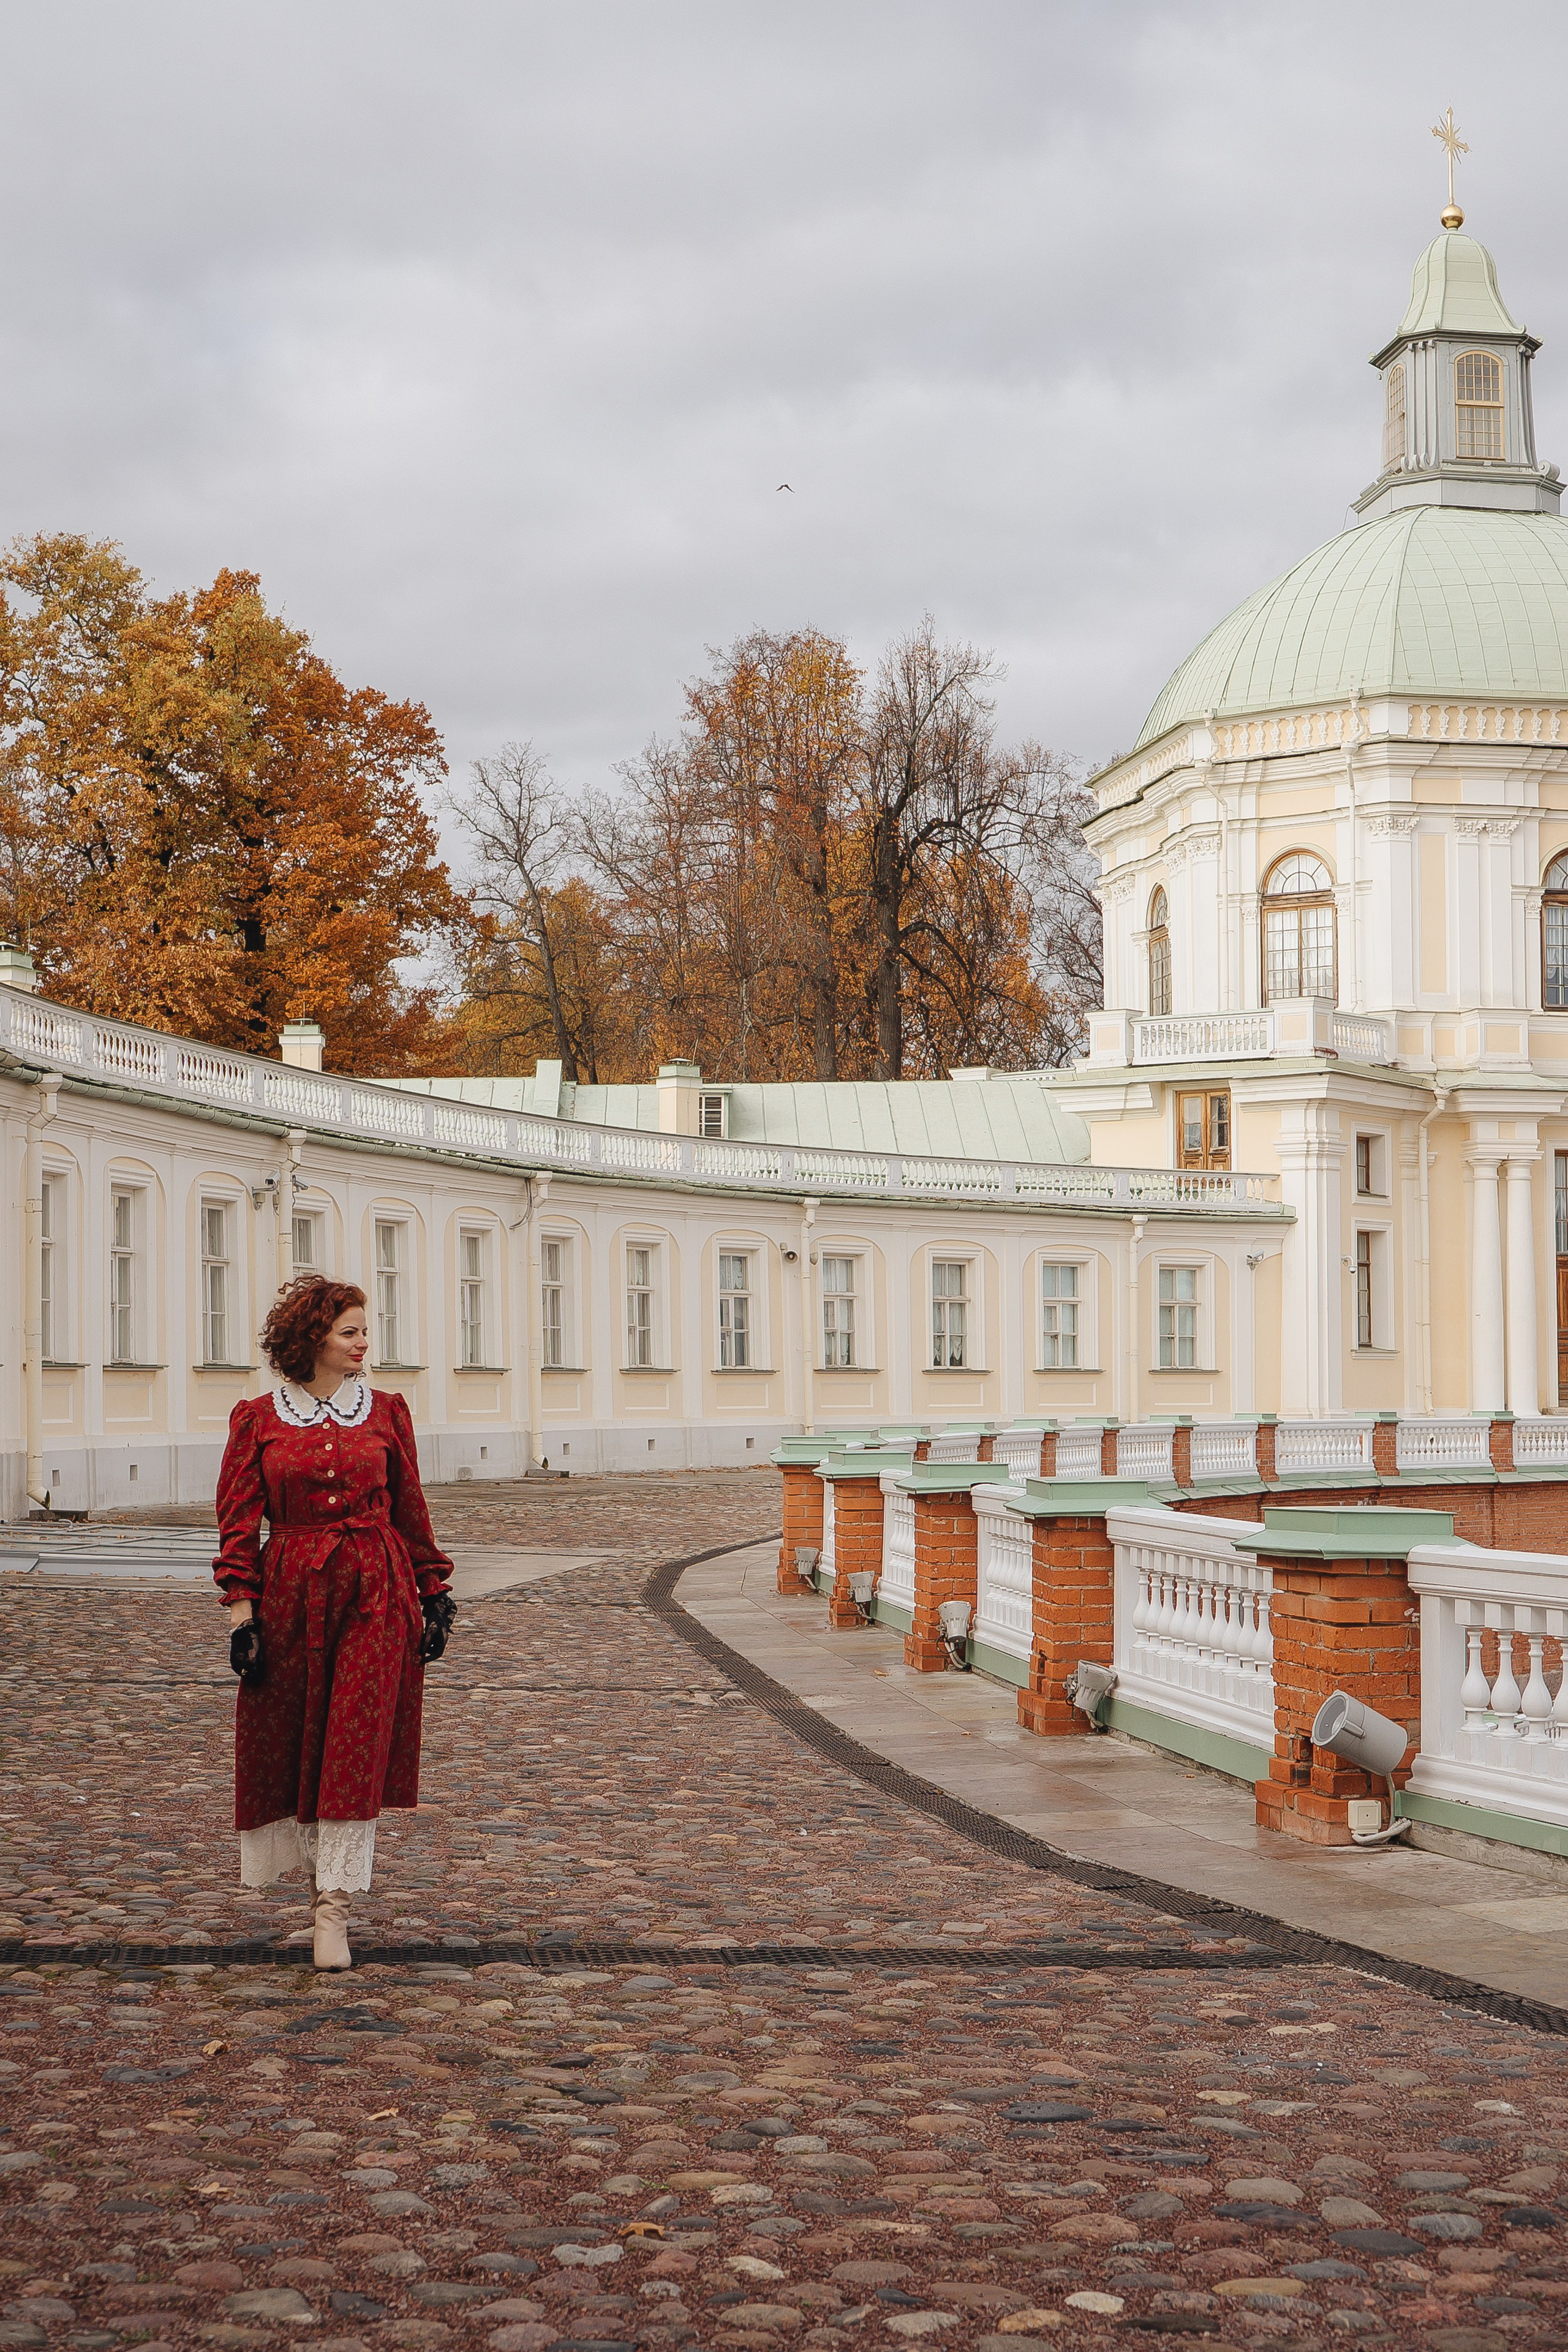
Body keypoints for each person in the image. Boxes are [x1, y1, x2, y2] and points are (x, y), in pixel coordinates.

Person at [211, 1274, 456, 1970]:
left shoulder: (386, 1411)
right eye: (349, 1331)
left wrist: (432, 1591)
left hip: (375, 1590)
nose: (362, 1343)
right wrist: (242, 1618)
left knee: (353, 1739)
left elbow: (410, 1504)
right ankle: (314, 1891)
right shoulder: (257, 1418)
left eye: (363, 1330)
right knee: (291, 1738)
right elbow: (236, 1524)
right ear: (312, 1337)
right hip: (288, 1592)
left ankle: (333, 1912)